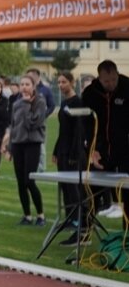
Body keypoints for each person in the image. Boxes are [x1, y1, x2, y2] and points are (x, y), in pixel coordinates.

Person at [82, 60, 129, 224]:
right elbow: (85, 125)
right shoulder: (90, 93)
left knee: (127, 194)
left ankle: (127, 236)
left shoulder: (127, 87)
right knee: (90, 192)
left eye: (114, 79)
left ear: (117, 74)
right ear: (99, 78)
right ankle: (85, 232)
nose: (111, 84)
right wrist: (91, 151)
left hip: (125, 151)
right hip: (100, 150)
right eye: (107, 81)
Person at [1, 75, 47, 227]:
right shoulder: (16, 103)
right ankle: (27, 215)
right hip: (18, 144)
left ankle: (41, 215)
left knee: (29, 180)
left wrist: (27, 105)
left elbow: (33, 124)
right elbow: (14, 126)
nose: (24, 87)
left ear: (33, 86)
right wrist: (9, 148)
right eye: (22, 84)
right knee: (21, 182)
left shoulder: (39, 102)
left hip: (32, 144)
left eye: (27, 84)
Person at [53, 71, 92, 246]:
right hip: (62, 151)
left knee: (75, 190)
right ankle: (70, 219)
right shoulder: (64, 103)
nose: (60, 85)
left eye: (63, 82)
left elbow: (78, 131)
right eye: (58, 82)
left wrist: (74, 155)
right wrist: (56, 150)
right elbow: (63, 131)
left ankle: (80, 223)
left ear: (71, 82)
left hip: (73, 154)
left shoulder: (78, 103)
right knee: (65, 188)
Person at [25, 68, 55, 172]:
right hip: (27, 120)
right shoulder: (27, 88)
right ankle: (30, 166)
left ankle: (41, 168)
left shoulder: (45, 90)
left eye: (29, 76)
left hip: (41, 122)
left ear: (36, 76)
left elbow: (52, 105)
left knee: (40, 144)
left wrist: (44, 115)